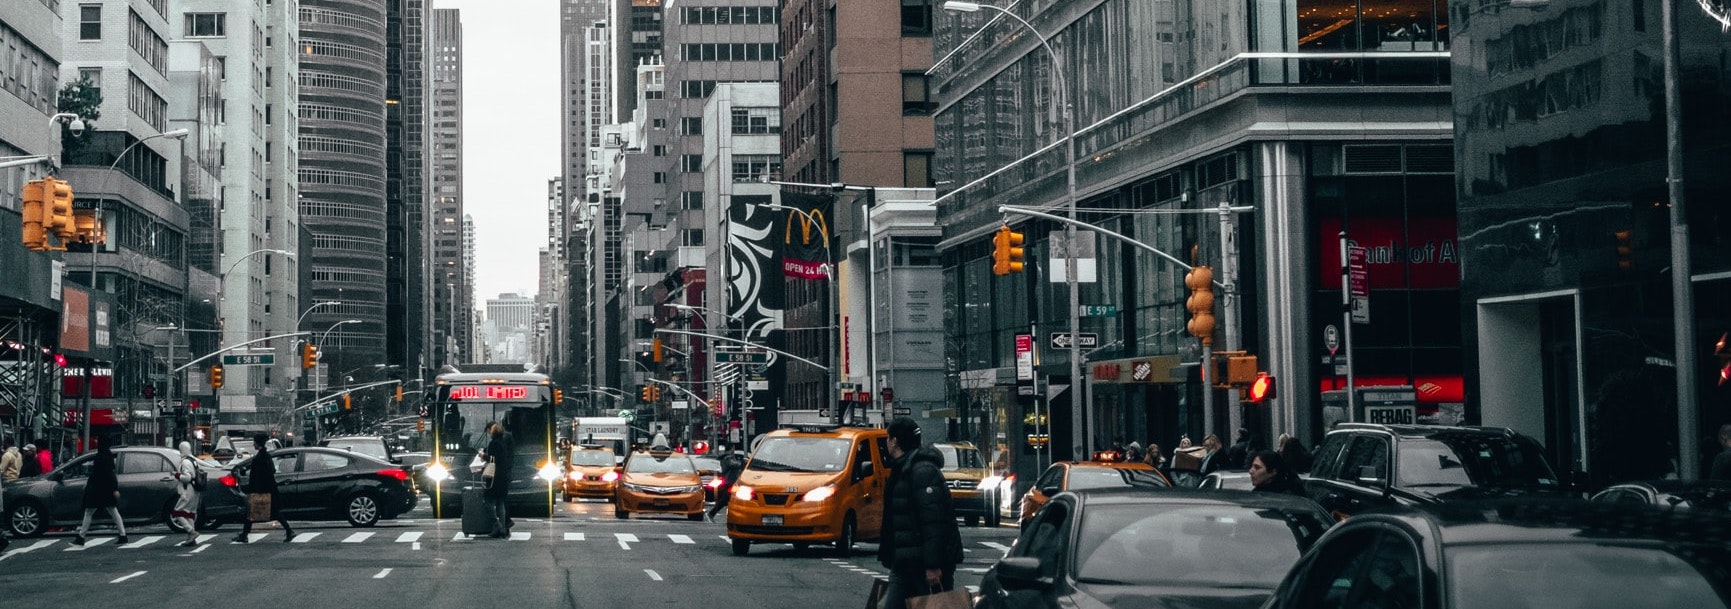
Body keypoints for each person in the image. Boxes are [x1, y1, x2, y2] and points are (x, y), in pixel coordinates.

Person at [877, 417, 963, 609]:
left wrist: (933, 565)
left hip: (921, 564)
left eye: (888, 438)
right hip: (906, 561)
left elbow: (933, 520)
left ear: (895, 441)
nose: (886, 443)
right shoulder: (904, 468)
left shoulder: (922, 471)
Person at [235, 433, 294, 543]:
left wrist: (253, 488)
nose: (253, 444)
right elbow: (272, 471)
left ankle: (244, 535)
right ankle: (289, 531)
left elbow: (258, 476)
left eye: (254, 442)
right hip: (269, 489)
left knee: (252, 511)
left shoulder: (260, 457)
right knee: (267, 512)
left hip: (262, 490)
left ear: (258, 443)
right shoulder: (266, 456)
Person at [73, 435, 125, 546]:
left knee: (89, 512)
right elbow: (110, 473)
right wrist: (114, 488)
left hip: (97, 489)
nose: (96, 442)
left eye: (98, 440)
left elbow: (97, 474)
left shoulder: (100, 456)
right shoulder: (108, 455)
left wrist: (89, 485)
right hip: (105, 488)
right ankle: (123, 535)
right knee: (113, 511)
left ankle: (81, 537)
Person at [481, 422, 515, 538]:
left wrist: (483, 456)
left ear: (493, 432)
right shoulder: (504, 442)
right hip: (503, 476)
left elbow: (493, 459)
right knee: (500, 502)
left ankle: (497, 525)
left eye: (490, 431)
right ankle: (503, 527)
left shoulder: (494, 444)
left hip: (494, 477)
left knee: (488, 500)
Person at [171, 441, 201, 547]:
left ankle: (191, 531)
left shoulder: (185, 462)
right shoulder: (193, 461)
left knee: (177, 512)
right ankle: (191, 539)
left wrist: (177, 475)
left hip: (187, 490)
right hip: (195, 490)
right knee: (189, 514)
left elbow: (187, 478)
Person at [707, 450, 747, 521]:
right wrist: (742, 463)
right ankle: (711, 513)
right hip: (730, 482)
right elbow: (733, 464)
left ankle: (713, 513)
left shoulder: (727, 457)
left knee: (727, 500)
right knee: (725, 499)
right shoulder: (728, 458)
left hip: (730, 482)